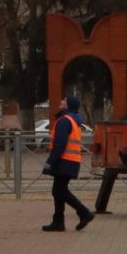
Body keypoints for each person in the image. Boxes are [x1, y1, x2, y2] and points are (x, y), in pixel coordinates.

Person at [40, 95, 93, 232]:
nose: (61, 102)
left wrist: (50, 162)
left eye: (63, 100)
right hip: (70, 160)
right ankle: (58, 222)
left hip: (64, 160)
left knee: (59, 191)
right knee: (58, 191)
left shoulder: (64, 120)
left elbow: (59, 144)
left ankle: (84, 213)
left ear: (68, 105)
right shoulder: (73, 120)